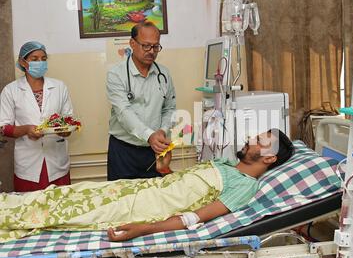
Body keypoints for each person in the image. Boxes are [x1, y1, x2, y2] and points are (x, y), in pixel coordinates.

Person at [0, 129, 294, 243]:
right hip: (137, 188)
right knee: (70, 193)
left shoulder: (244, 185)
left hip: (142, 207)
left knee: (60, 212)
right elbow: (185, 187)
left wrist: (143, 229)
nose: (251, 139)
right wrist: (166, 169)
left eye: (260, 140)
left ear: (269, 157)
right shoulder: (226, 166)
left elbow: (193, 217)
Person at [106, 21, 176, 181]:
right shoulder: (116, 74)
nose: (151, 51)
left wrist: (162, 131)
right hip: (124, 151)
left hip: (155, 152)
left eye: (156, 47)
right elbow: (124, 113)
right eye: (146, 46)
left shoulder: (164, 74)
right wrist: (149, 135)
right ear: (132, 43)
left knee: (156, 200)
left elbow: (169, 109)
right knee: (123, 200)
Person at [0, 41, 74, 192]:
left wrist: (64, 130)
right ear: (23, 62)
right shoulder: (11, 90)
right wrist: (27, 129)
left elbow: (68, 119)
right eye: (34, 59)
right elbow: (4, 128)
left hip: (57, 162)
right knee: (31, 211)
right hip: (28, 166)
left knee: (61, 209)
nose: (40, 62)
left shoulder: (59, 87)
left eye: (43, 58)